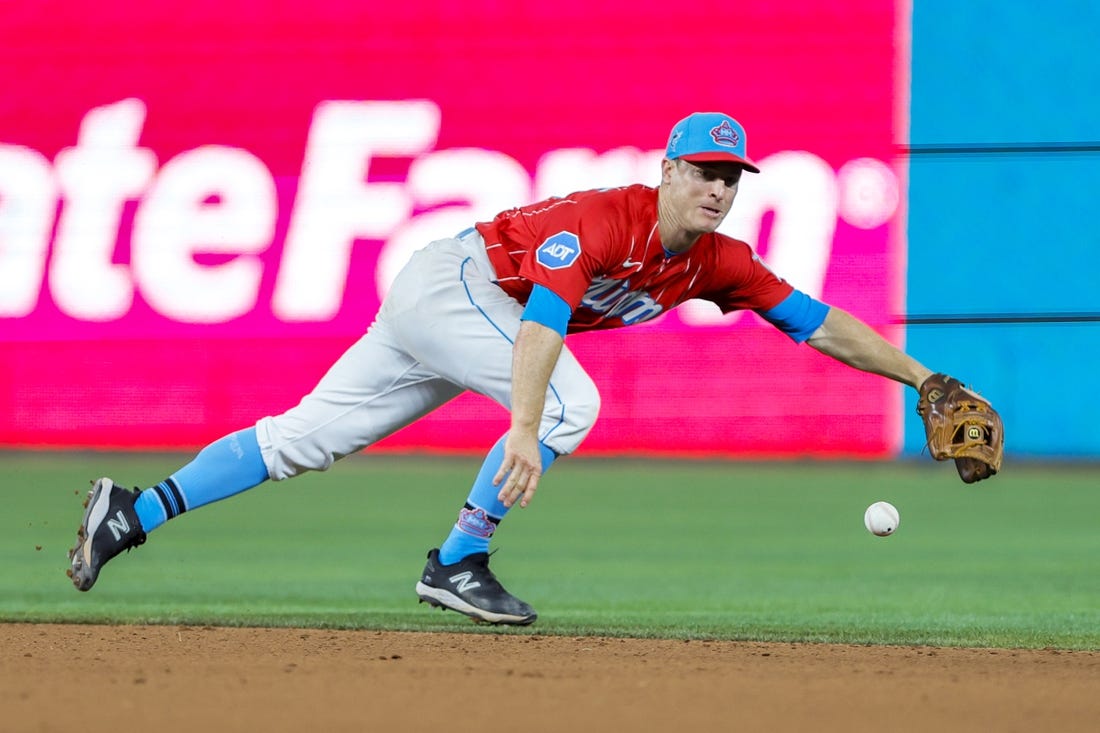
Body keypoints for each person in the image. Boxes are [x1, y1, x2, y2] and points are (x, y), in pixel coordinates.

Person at [68, 112, 946, 625]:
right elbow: (542, 323)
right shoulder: (607, 219)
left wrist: (923, 380)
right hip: (456, 286)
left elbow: (817, 322)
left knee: (302, 439)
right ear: (670, 169)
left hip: (461, 311)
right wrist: (524, 428)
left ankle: (130, 512)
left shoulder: (717, 262)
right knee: (571, 399)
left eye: (732, 176)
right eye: (705, 171)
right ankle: (457, 558)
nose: (718, 188)